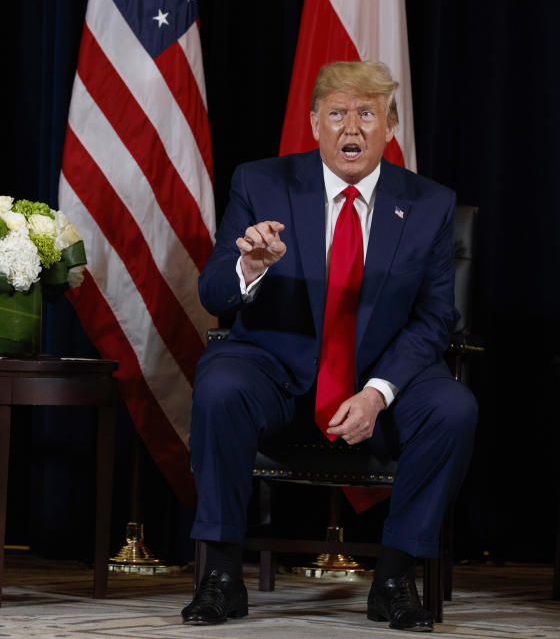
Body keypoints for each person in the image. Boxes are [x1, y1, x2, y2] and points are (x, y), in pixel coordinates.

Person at [181, 61, 476, 632]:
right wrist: (248, 265)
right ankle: (220, 574)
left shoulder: (429, 203)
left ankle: (394, 579)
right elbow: (213, 290)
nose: (352, 128)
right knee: (219, 386)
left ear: (390, 127)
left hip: (380, 374)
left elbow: (436, 317)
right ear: (314, 121)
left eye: (367, 114)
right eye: (338, 112)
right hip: (274, 368)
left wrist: (377, 393)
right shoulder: (260, 182)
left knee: (454, 408)